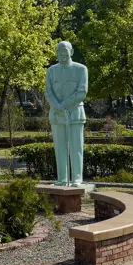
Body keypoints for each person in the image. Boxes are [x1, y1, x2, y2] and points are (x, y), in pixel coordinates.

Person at [44, 41, 88, 186]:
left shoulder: (81, 69)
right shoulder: (51, 70)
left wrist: (64, 105)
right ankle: (62, 178)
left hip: (75, 114)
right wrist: (57, 105)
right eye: (59, 52)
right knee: (60, 148)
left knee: (76, 148)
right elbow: (48, 91)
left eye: (64, 52)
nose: (61, 55)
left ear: (71, 52)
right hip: (57, 114)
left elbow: (82, 92)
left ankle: (77, 177)